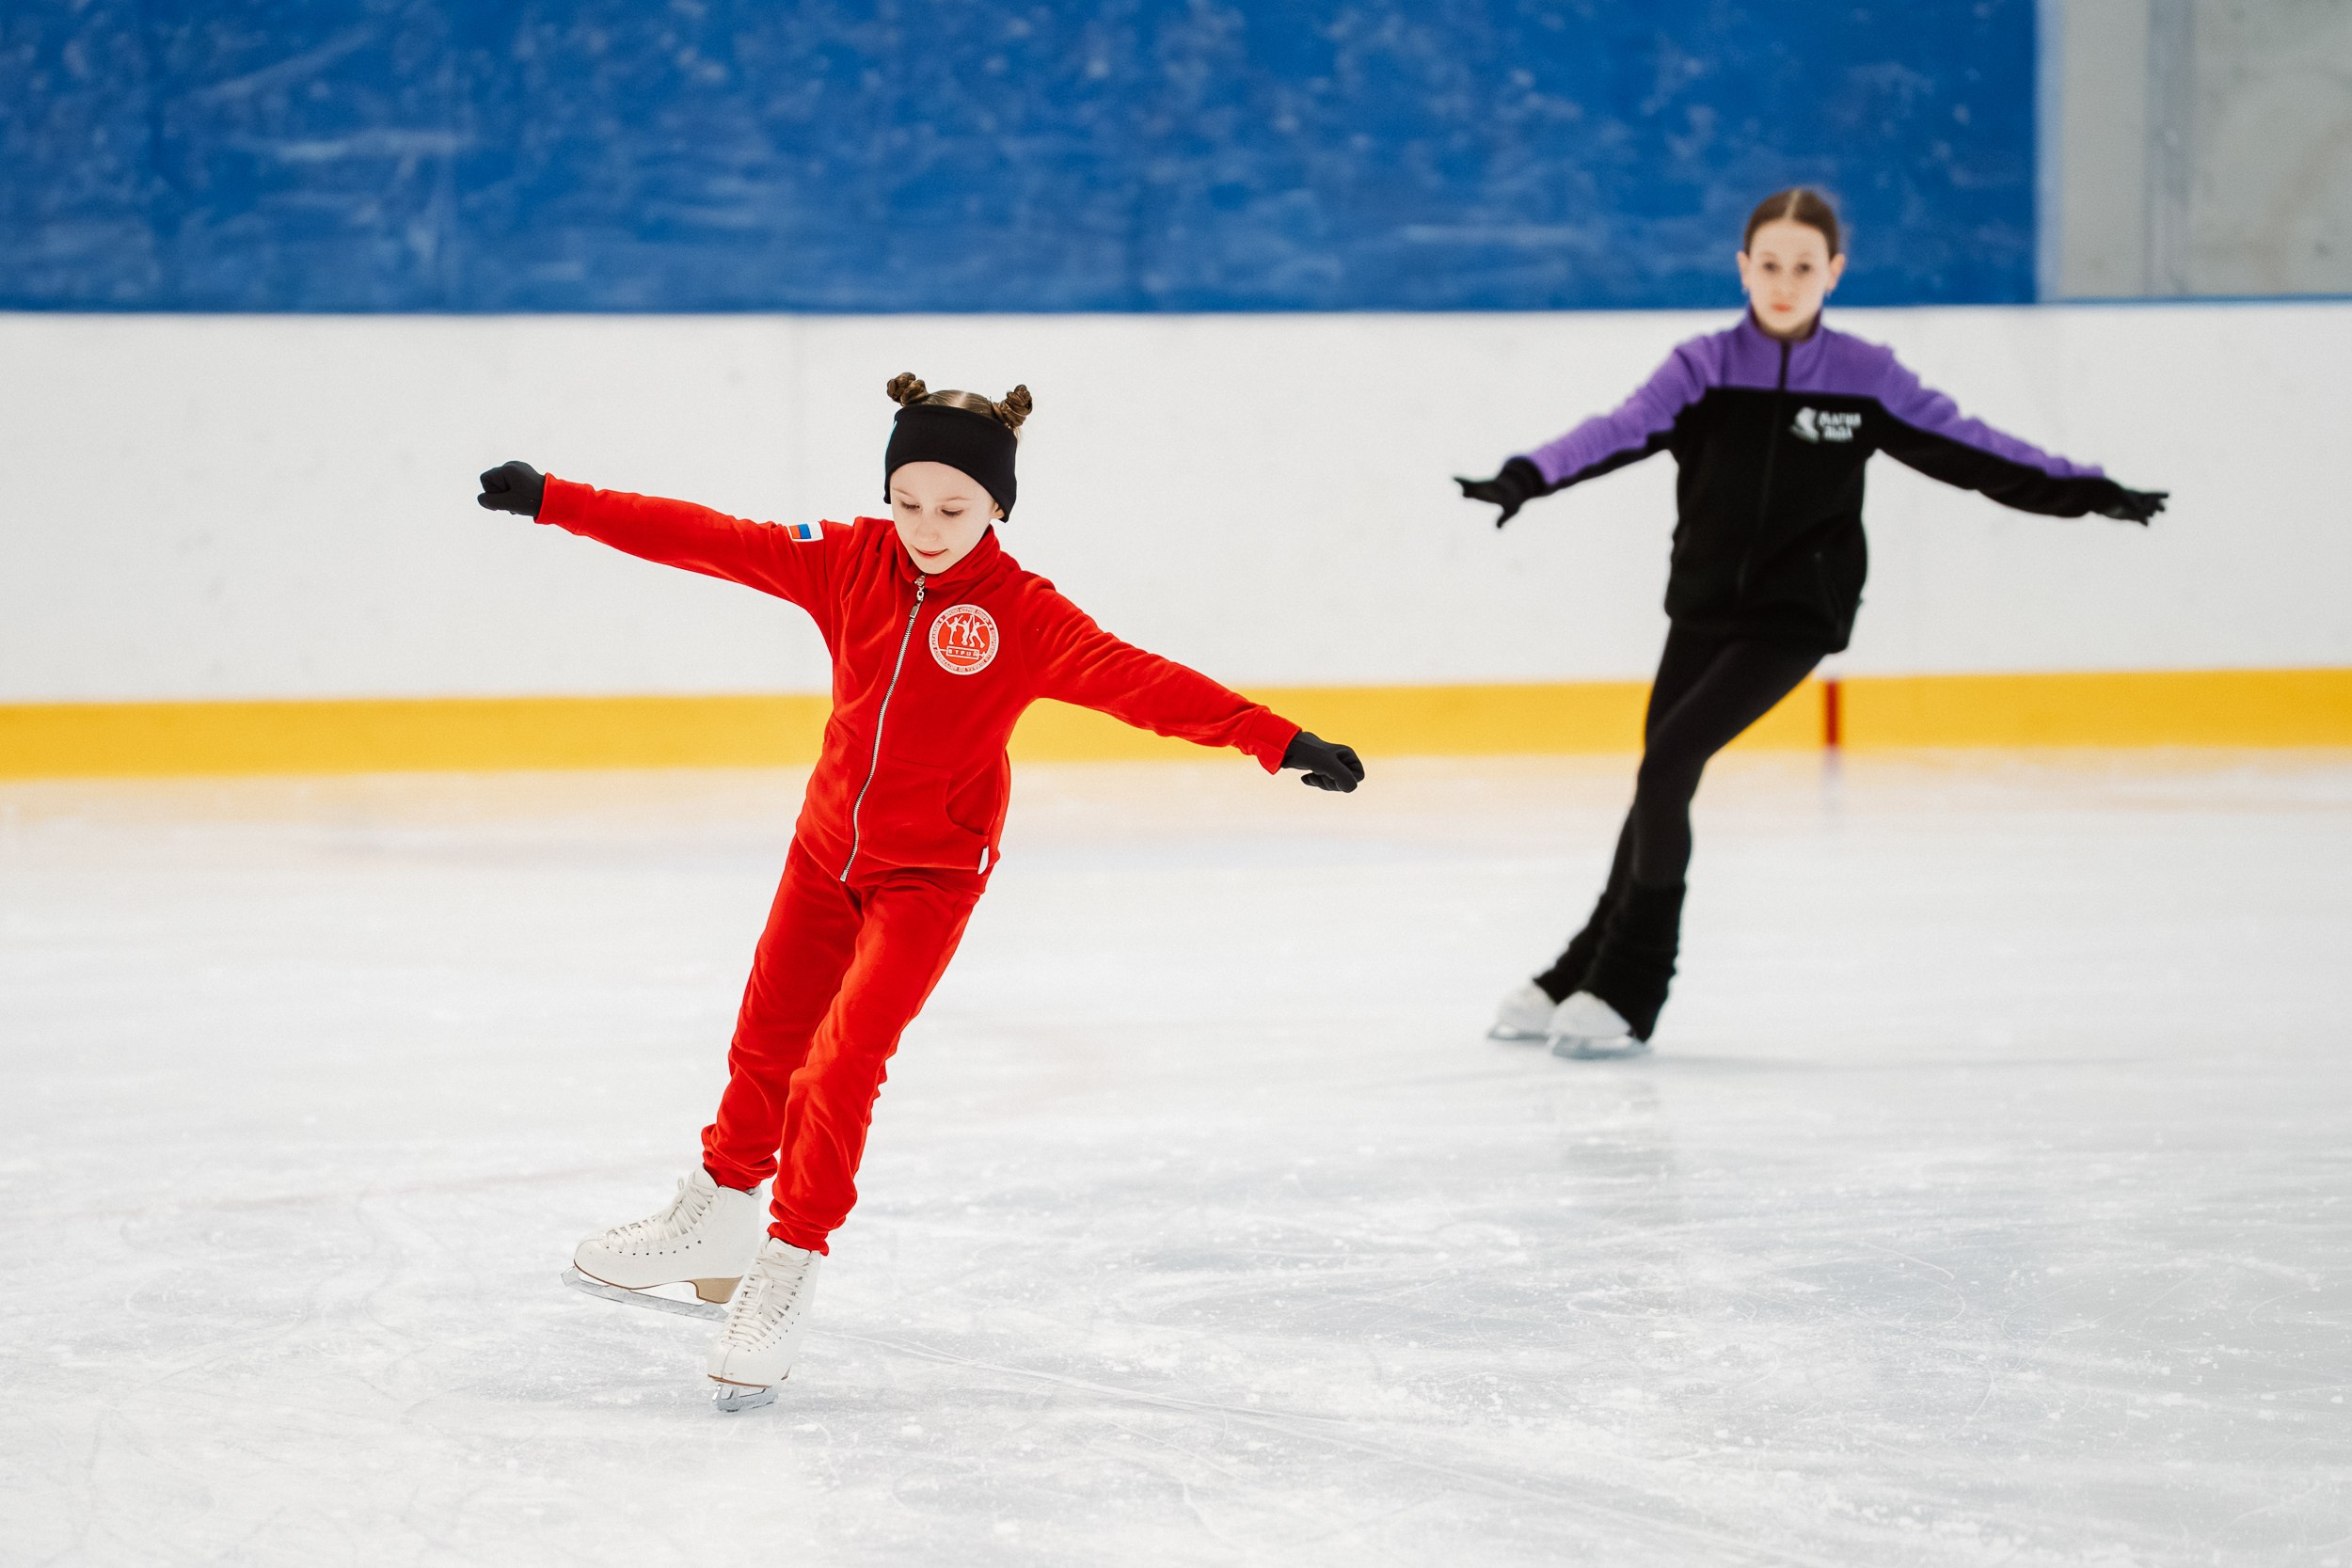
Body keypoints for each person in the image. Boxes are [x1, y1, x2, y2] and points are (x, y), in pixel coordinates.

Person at [476, 373, 1365, 1411]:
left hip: (928, 875)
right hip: (823, 853)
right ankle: (714, 1213)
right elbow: (709, 537)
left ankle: (787, 1261)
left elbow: (1140, 679)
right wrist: (555, 498)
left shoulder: (1022, 615)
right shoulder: (848, 558)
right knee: (765, 1038)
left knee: (842, 1060)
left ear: (997, 507)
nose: (926, 528)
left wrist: (1275, 739)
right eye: (908, 502)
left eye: (954, 508)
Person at [1455, 188, 2166, 1059]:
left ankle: (1633, 984)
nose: (1784, 282)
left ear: (1833, 273)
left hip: (1795, 618)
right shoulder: (1704, 367)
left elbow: (1972, 446)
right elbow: (1619, 429)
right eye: (1768, 264)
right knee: (1657, 779)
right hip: (1704, 610)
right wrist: (1526, 476)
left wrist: (2084, 490)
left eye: (1804, 266)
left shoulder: (1864, 376)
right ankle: (1578, 972)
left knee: (1673, 763)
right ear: (1743, 268)